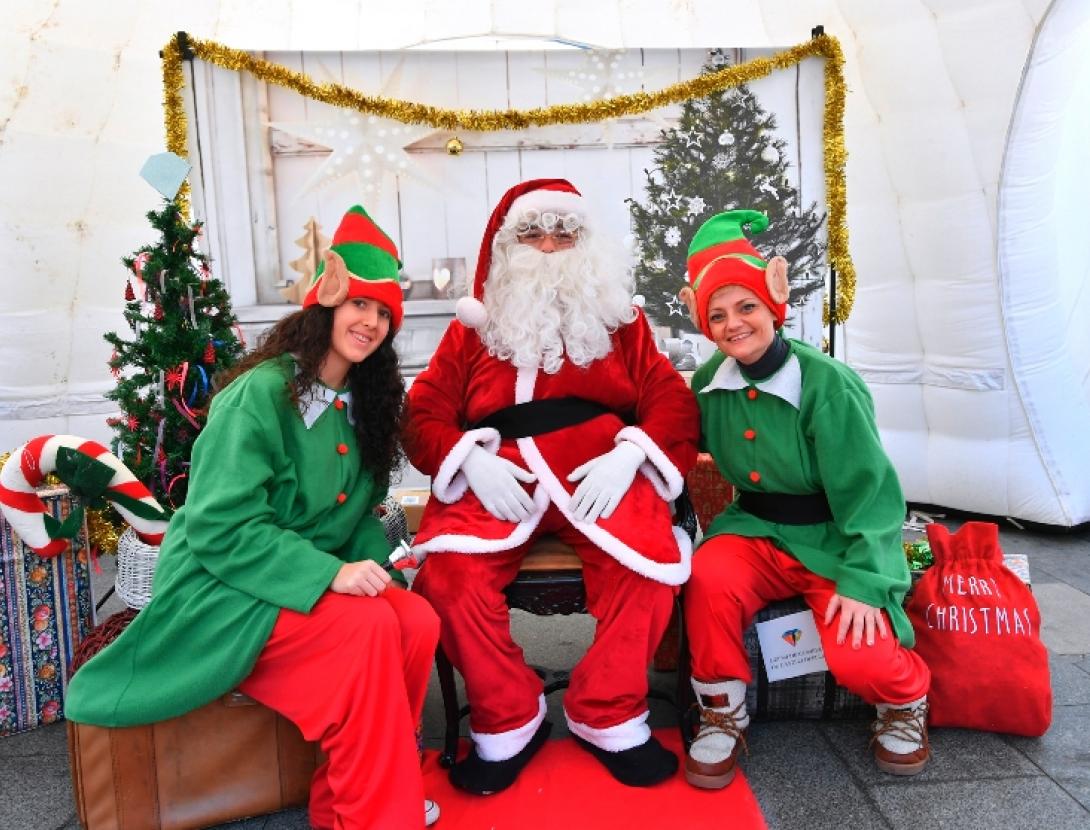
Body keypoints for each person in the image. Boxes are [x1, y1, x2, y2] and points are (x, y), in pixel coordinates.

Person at [66, 206, 442, 829]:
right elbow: (222, 527)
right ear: (327, 304)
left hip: (297, 579)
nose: (371, 323)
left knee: (416, 619)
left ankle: (358, 791)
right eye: (360, 306)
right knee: (368, 627)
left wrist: (389, 565)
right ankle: (378, 813)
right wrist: (330, 576)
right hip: (229, 585)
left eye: (383, 314)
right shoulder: (261, 394)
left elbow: (354, 522)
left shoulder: (361, 404)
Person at [405, 179, 700, 795]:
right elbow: (424, 410)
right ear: (508, 244)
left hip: (602, 473)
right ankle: (510, 715)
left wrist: (633, 454)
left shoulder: (624, 321)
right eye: (533, 232)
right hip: (499, 479)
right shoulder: (474, 326)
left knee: (648, 568)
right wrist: (468, 458)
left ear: (585, 242)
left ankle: (607, 712)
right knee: (447, 580)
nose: (548, 245)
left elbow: (669, 397)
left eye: (564, 232)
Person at [676, 209, 931, 789]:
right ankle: (722, 709)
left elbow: (872, 494)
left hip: (836, 537)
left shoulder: (827, 384)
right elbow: (674, 436)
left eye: (745, 307)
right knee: (707, 576)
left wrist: (866, 579)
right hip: (755, 530)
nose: (733, 324)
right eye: (717, 314)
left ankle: (906, 697)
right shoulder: (711, 383)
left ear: (773, 305)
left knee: (859, 657)